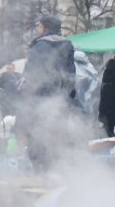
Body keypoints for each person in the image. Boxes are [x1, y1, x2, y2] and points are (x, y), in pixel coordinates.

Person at [19, 14, 78, 169]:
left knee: (38, 136)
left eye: (39, 26)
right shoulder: (67, 45)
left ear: (45, 28)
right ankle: (57, 172)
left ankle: (41, 171)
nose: (38, 29)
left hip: (40, 100)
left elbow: (33, 75)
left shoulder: (39, 46)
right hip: (60, 101)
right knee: (57, 136)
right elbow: (70, 75)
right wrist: (68, 97)